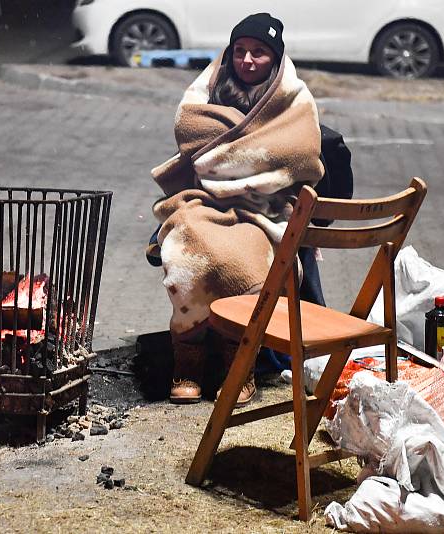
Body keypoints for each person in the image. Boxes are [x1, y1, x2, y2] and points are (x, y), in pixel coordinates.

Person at [150, 13, 325, 406]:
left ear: (276, 59)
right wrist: (236, 155)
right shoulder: (208, 87)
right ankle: (188, 358)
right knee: (188, 246)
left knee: (245, 261)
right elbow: (191, 131)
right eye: (240, 51)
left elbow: (299, 152)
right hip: (204, 198)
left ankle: (238, 361)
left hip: (264, 206)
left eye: (259, 53)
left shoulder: (294, 99)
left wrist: (234, 155)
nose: (247, 61)